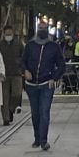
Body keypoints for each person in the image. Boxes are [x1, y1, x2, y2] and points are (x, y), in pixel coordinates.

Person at [22, 21, 65, 149]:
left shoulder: (53, 46)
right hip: (31, 84)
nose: (42, 30)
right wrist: (26, 71)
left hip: (47, 83)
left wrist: (54, 77)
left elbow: (61, 64)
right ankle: (37, 137)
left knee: (44, 112)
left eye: (45, 28)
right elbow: (23, 61)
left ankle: (43, 140)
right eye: (40, 28)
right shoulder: (30, 45)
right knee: (35, 113)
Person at [0, 25, 24, 125]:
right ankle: (6, 118)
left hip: (16, 73)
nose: (8, 35)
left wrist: (20, 64)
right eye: (7, 34)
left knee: (16, 93)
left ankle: (12, 108)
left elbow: (24, 56)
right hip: (4, 74)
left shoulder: (18, 44)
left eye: (10, 34)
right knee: (4, 97)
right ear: (4, 34)